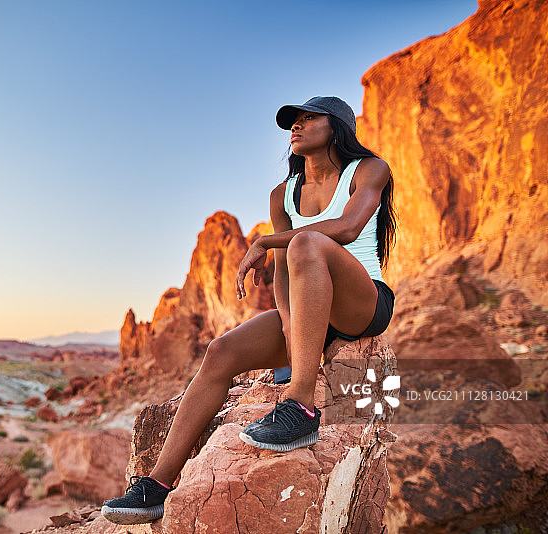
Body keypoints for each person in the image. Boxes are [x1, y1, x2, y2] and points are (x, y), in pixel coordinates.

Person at [101, 96, 396, 525]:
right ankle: (157, 486)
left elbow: (348, 228)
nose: (295, 127)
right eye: (292, 122)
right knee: (220, 352)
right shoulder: (283, 195)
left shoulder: (370, 169)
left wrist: (265, 242)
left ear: (337, 128)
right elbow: (281, 276)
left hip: (362, 301)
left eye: (308, 119)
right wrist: (293, 329)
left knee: (305, 242)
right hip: (311, 307)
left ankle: (301, 407)